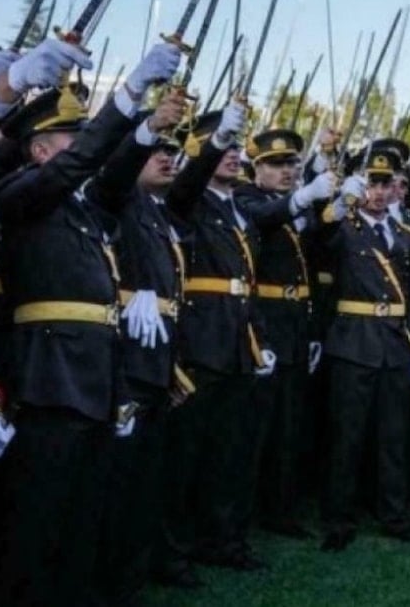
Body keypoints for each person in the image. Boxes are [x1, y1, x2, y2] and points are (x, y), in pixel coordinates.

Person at [0, 40, 177, 605]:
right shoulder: (20, 193)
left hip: (94, 379)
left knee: (82, 519)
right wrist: (124, 98)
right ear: (42, 151)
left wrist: (140, 126)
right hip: (50, 377)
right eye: (72, 140)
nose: (83, 151)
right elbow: (86, 161)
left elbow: (113, 175)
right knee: (37, 523)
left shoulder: (82, 209)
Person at [163, 101, 274, 573]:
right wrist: (212, 146)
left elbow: (247, 282)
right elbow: (187, 181)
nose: (231, 155)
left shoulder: (239, 209)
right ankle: (174, 552)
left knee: (230, 454)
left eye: (233, 148)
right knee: (185, 456)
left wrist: (259, 337)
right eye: (221, 147)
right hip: (200, 341)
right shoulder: (188, 198)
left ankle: (223, 541)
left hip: (238, 342)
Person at [89, 91, 190, 604]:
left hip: (156, 358)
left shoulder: (157, 211)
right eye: (156, 151)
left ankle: (134, 571)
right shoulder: (117, 199)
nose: (166, 157)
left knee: (147, 476)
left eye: (171, 150)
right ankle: (111, 578)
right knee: (119, 478)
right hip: (124, 359)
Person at [317, 142, 410, 551]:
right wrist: (336, 201)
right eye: (372, 182)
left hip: (395, 344)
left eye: (386, 183)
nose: (379, 192)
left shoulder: (404, 233)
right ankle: (339, 520)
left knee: (393, 438)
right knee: (347, 438)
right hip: (354, 342)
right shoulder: (343, 226)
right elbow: (321, 239)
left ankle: (394, 515)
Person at [235, 128, 335, 540]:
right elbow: (264, 218)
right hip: (264, 323)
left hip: (295, 324)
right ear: (256, 168)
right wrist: (304, 197)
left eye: (292, 164)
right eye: (276, 164)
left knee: (288, 427)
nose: (287, 171)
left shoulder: (298, 208)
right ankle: (243, 513)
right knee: (255, 428)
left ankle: (281, 508)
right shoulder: (247, 199)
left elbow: (314, 267)